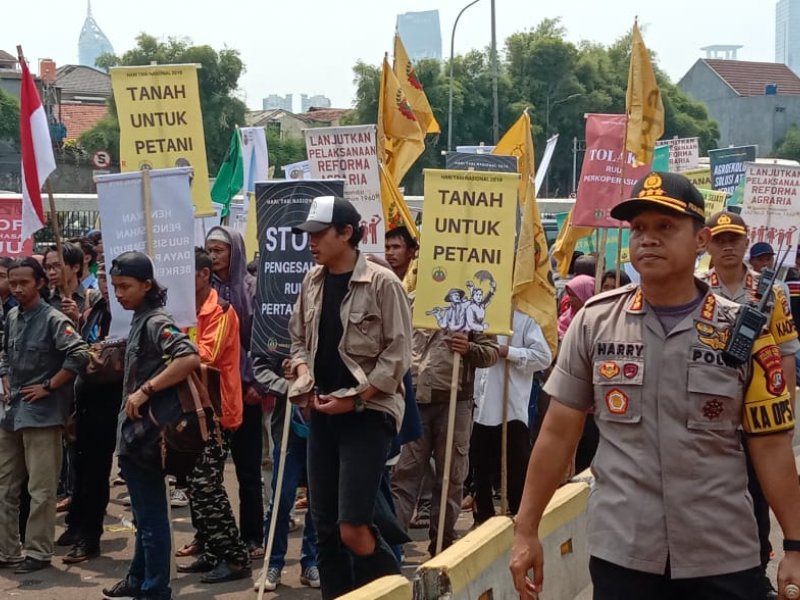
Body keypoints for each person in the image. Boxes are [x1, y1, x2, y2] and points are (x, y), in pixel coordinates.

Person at [510, 171, 800, 600]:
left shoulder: (743, 329)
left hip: (722, 552)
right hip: (624, 552)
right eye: (639, 229)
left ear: (700, 239)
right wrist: (526, 529)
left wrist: (794, 545)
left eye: (666, 227)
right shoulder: (595, 321)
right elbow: (557, 433)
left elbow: (771, 445)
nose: (648, 239)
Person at [287, 195, 412, 598]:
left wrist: (355, 399)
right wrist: (303, 374)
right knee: (325, 530)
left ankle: (395, 592)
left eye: (320, 234)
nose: (312, 242)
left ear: (346, 233)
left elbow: (397, 358)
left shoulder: (383, 283)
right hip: (323, 411)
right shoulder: (312, 281)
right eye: (309, 234)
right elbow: (298, 340)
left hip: (368, 412)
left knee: (353, 527)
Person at [699, 211, 799, 598]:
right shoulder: (694, 287)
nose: (727, 247)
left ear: (745, 243)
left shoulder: (770, 291)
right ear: (706, 242)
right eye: (719, 239)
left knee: (757, 493)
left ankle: (756, 567)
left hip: (758, 413)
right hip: (709, 414)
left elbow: (787, 351)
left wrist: (785, 409)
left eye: (734, 239)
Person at [102, 251, 199, 600]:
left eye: (125, 286)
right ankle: (138, 578)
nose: (119, 293)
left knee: (152, 519)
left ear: (146, 285)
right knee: (144, 518)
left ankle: (155, 589)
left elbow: (188, 356)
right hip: (134, 436)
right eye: (115, 287)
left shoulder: (157, 321)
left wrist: (145, 391)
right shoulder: (141, 317)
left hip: (147, 436)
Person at [0, 257, 89, 573]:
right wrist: (6, 376)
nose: (18, 288)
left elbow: (79, 354)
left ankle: (38, 552)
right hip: (12, 413)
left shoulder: (53, 319)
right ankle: (7, 550)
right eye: (14, 282)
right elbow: (5, 353)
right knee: (5, 485)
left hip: (43, 415)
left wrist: (49, 387)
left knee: (40, 489)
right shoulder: (12, 316)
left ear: (39, 283)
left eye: (24, 282)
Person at [392, 296, 499, 556]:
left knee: (450, 477)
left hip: (455, 401)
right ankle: (392, 547)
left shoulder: (475, 309)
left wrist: (469, 348)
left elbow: (491, 353)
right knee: (404, 475)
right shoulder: (415, 300)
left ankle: (443, 546)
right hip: (415, 400)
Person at [175, 248, 251, 583]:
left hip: (217, 412)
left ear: (204, 274)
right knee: (196, 483)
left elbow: (205, 355)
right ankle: (210, 550)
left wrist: (170, 346)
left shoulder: (219, 310)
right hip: (192, 409)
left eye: (187, 275)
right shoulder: (182, 310)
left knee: (206, 485)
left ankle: (235, 557)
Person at [205, 226, 264, 558]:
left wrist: (258, 382)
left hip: (244, 390)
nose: (213, 256)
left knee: (248, 468)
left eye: (220, 250)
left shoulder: (252, 289)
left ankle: (253, 536)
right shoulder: (204, 290)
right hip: (211, 391)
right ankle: (212, 537)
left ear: (235, 252)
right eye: (209, 250)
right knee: (207, 470)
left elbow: (262, 340)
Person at [60, 263, 122, 564]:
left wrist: (95, 350)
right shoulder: (94, 309)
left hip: (111, 403)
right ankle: (76, 524)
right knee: (80, 469)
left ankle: (89, 536)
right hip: (84, 398)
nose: (108, 287)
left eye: (116, 283)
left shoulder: (127, 317)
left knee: (97, 472)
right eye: (103, 279)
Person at [471, 309, 551, 524]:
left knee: (517, 466)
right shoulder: (478, 315)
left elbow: (543, 357)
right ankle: (483, 518)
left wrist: (509, 352)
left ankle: (520, 518)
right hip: (481, 405)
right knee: (480, 465)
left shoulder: (524, 319)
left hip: (512, 405)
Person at [43, 242, 87, 326]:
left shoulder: (94, 299)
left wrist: (78, 318)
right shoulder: (45, 300)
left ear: (76, 267)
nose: (51, 272)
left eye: (58, 265)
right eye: (48, 267)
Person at [557, 274, 595, 339]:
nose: (570, 299)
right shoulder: (565, 319)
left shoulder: (596, 322)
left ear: (586, 295)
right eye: (569, 294)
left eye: (574, 296)